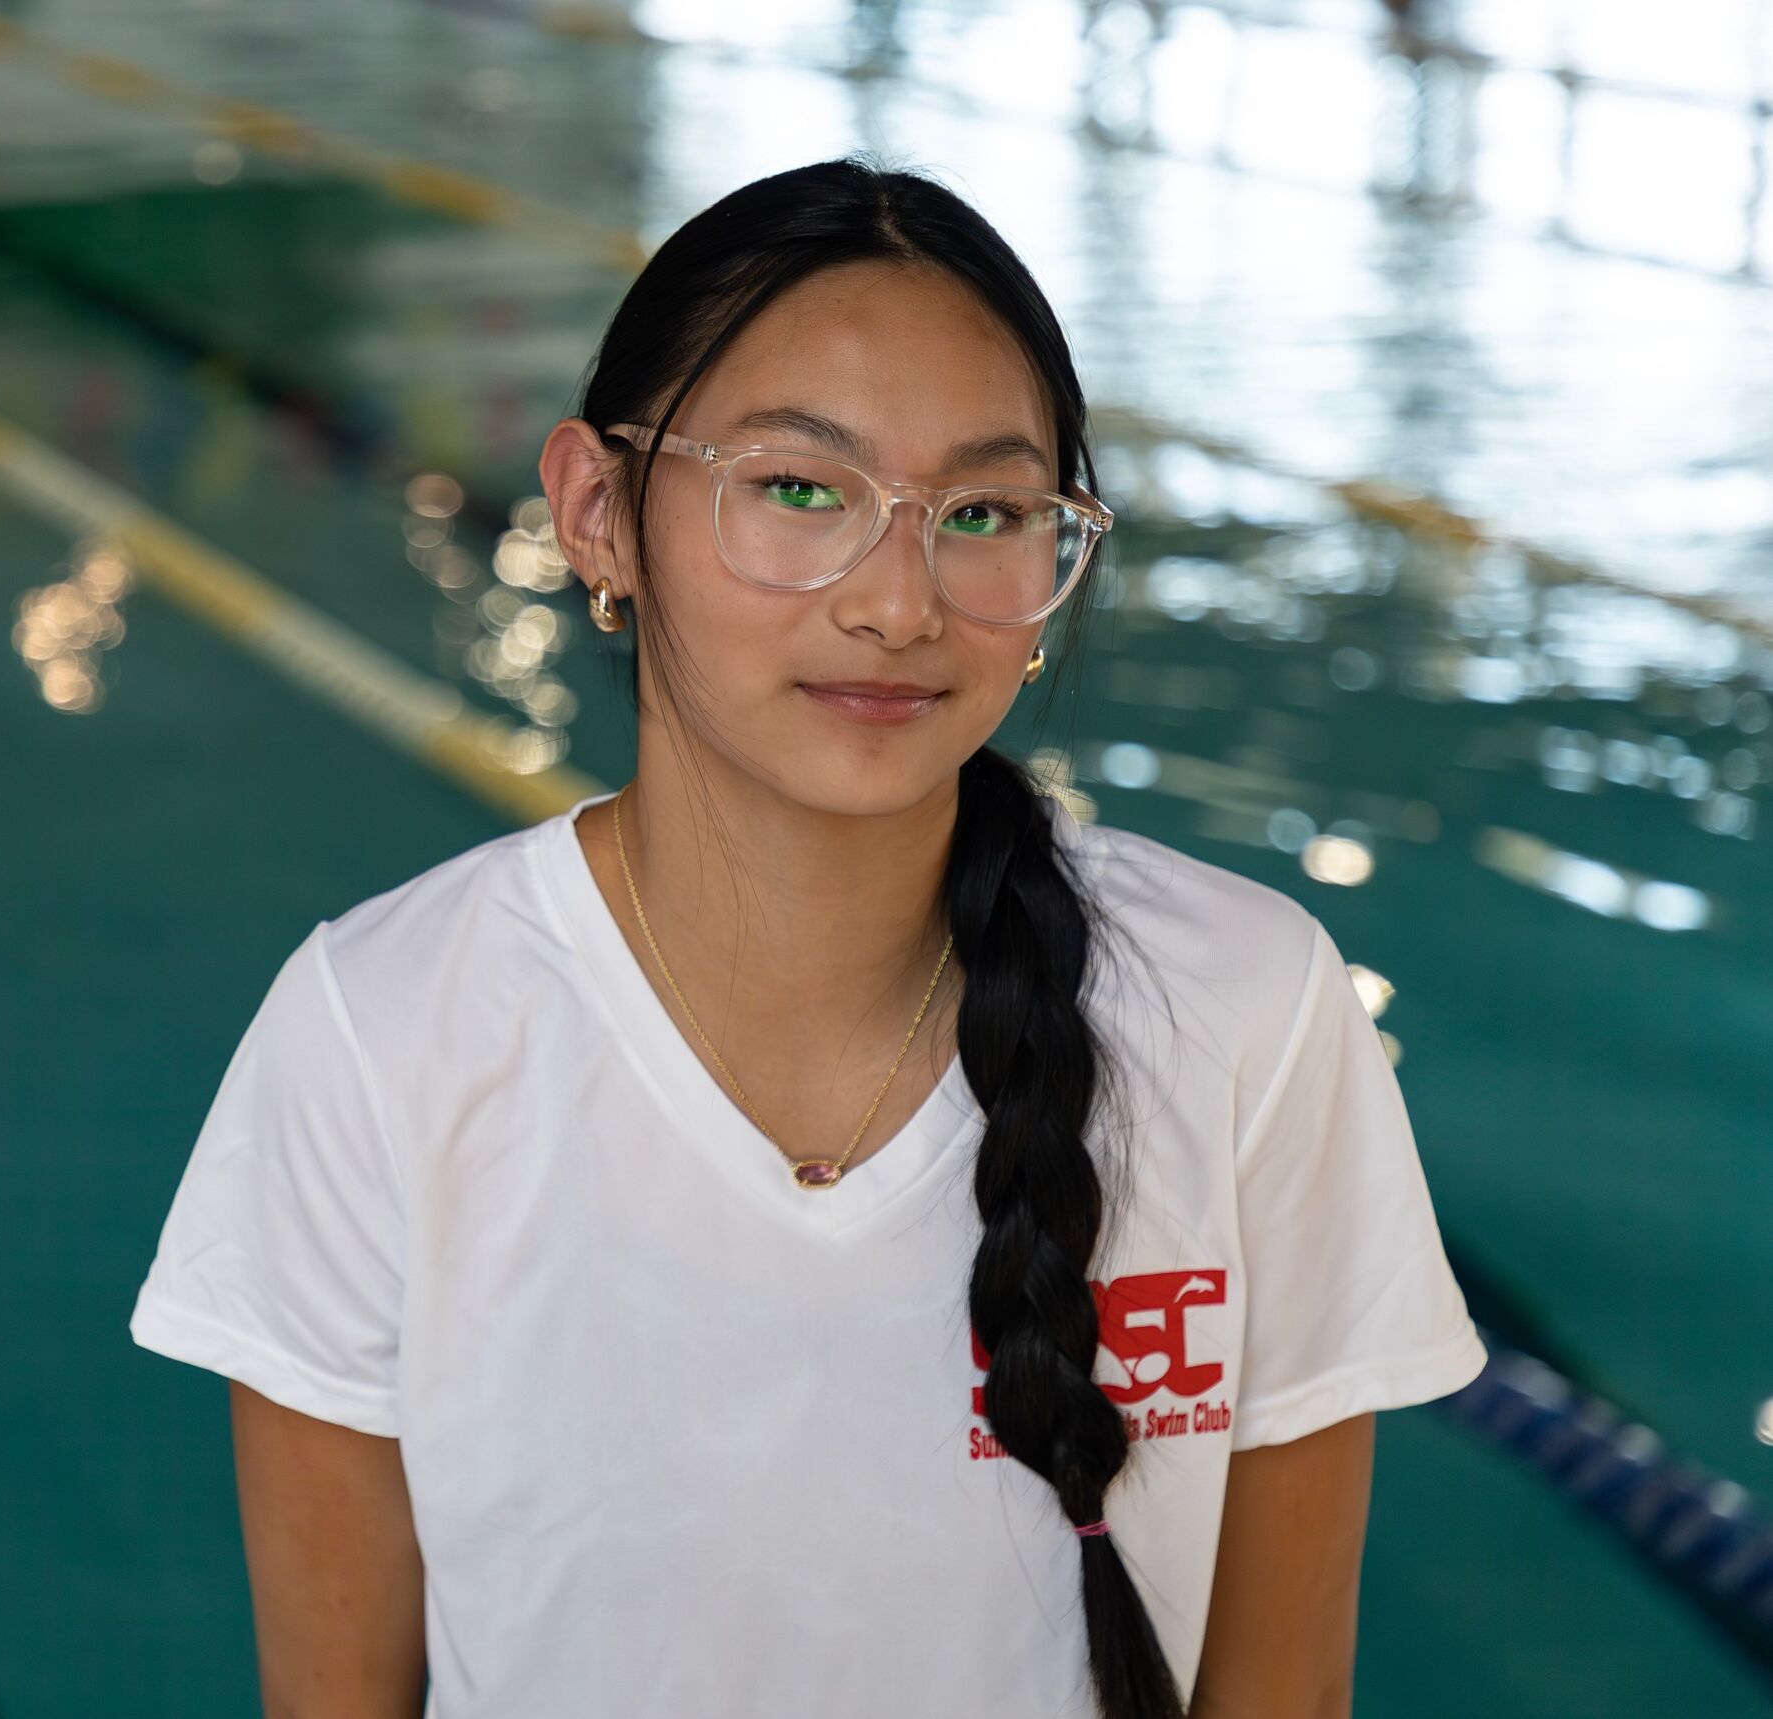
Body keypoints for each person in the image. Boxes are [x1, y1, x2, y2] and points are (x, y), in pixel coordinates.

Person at [128, 153, 1486, 1719]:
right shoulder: (382, 1035)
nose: (901, 601)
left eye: (984, 511)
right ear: (598, 515)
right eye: (797, 489)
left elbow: (1284, 1695)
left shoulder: (1246, 1008)